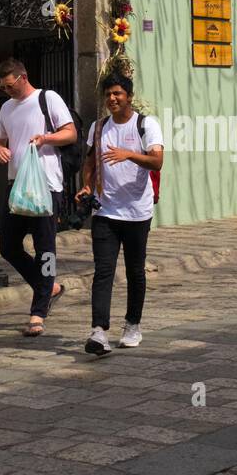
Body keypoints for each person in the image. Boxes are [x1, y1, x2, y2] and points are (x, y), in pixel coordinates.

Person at [77, 73, 164, 356]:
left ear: (129, 96)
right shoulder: (99, 127)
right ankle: (99, 332)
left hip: (138, 212)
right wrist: (87, 185)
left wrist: (129, 154)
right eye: (108, 95)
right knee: (103, 271)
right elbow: (89, 161)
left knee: (135, 271)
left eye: (117, 94)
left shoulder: (146, 124)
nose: (112, 99)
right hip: (106, 210)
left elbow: (157, 160)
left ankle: (132, 324)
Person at [0, 59, 77, 336]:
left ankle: (38, 312)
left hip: (46, 185)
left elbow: (71, 133)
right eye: (3, 87)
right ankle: (48, 287)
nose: (7, 91)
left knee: (46, 249)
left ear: (23, 77)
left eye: (10, 85)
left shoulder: (47, 98)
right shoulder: (6, 108)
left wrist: (45, 139)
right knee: (8, 246)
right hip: (18, 186)